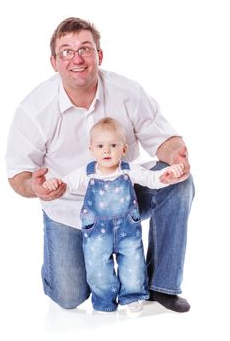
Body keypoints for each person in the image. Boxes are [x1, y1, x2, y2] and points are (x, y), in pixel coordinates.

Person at [6, 17, 195, 313]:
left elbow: (164, 140)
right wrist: (36, 186)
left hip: (124, 198)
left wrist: (176, 156)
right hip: (67, 207)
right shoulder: (34, 109)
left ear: (99, 55)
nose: (77, 58)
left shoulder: (127, 92)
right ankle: (63, 259)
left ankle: (161, 285)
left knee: (180, 182)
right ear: (54, 62)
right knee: (69, 297)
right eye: (66, 51)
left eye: (86, 49)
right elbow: (18, 174)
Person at [42, 117, 184, 313]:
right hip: (97, 233)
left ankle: (132, 296)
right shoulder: (87, 172)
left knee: (133, 264)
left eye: (113, 145)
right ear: (91, 149)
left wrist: (168, 174)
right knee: (98, 268)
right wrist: (55, 184)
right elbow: (66, 186)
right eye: (100, 146)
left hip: (128, 229)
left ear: (123, 149)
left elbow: (152, 179)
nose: (107, 150)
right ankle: (104, 301)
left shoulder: (129, 169)